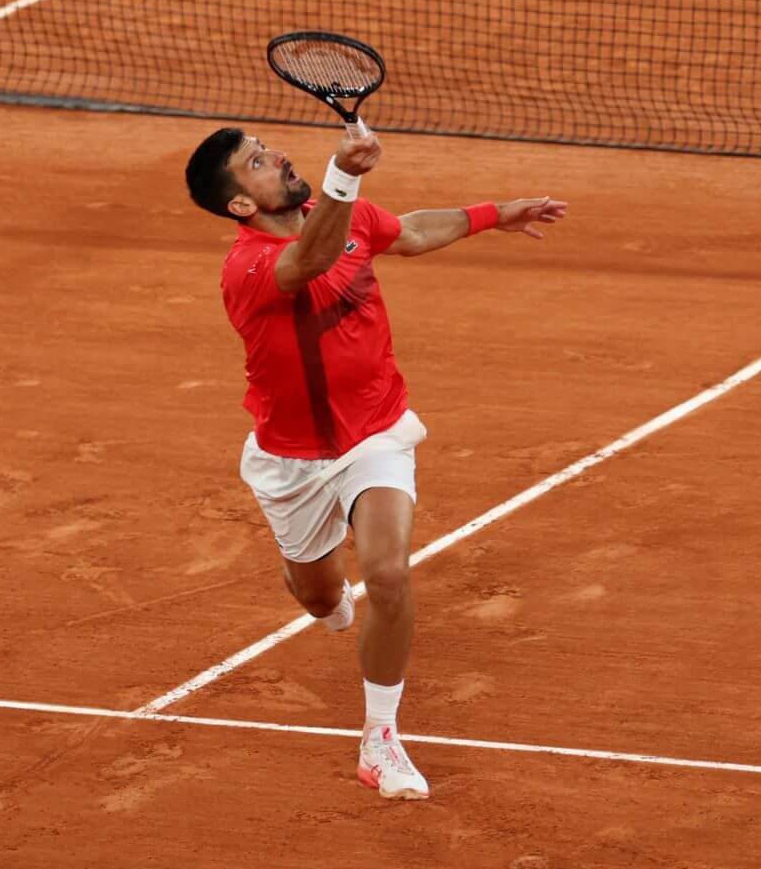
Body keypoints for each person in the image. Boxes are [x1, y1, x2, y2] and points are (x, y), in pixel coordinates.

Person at [183, 118, 566, 800]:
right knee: (322, 594)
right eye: (257, 162)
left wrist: (496, 213)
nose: (277, 157)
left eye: (268, 147)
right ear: (240, 203)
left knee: (387, 573)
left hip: (375, 433)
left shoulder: (347, 214)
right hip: (291, 459)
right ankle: (314, 586)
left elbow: (412, 231)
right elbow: (310, 259)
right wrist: (345, 173)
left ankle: (379, 739)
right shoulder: (247, 267)